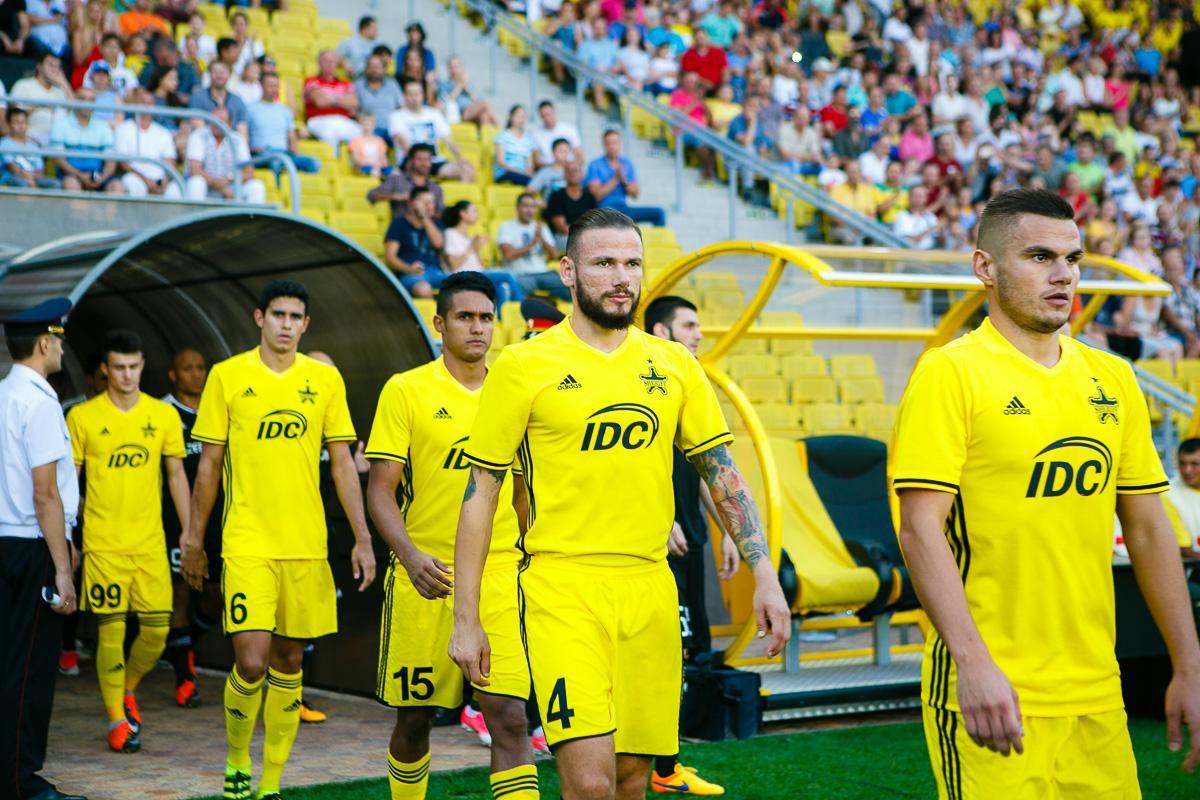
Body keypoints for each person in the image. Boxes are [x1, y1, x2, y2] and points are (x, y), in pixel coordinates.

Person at [450, 208, 790, 800]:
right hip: (562, 588)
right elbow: (481, 494)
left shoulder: (675, 364)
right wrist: (466, 617)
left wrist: (764, 572)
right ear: (568, 271)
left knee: (632, 780)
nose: (621, 277)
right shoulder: (524, 365)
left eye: (632, 263)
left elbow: (721, 472)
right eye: (604, 263)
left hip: (651, 589)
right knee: (589, 783)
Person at [893, 189, 1200, 798]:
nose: (1063, 275)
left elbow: (1148, 528)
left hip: (1097, 689)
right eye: (1039, 257)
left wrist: (1189, 662)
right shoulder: (950, 372)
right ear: (985, 267)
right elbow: (919, 529)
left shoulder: (1113, 377)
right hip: (995, 689)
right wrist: (972, 664)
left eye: (1072, 258)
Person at [179, 280, 377, 800]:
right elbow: (208, 468)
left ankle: (270, 782)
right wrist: (194, 540)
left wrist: (362, 537)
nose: (286, 324)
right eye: (278, 315)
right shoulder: (228, 376)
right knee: (250, 662)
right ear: (259, 318)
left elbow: (342, 464)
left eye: (295, 317)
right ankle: (237, 759)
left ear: (305, 325)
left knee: (289, 661)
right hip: (247, 542)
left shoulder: (324, 380)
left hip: (306, 546)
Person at [366, 272, 540, 800]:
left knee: (509, 716)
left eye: (486, 317)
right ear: (440, 323)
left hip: (500, 577)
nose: (478, 328)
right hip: (427, 578)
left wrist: (533, 555)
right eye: (466, 317)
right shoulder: (406, 390)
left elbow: (523, 493)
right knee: (415, 720)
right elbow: (380, 490)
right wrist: (410, 556)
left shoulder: (515, 391)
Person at [66, 330, 190, 753]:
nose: (127, 375)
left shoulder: (162, 415)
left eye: (134, 366)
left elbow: (176, 476)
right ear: (105, 369)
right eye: (119, 367)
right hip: (103, 544)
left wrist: (190, 530)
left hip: (150, 544)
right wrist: (69, 534)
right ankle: (116, 720)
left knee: (156, 633)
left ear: (142, 366)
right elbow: (70, 481)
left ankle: (128, 687)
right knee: (111, 632)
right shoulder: (83, 417)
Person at [644, 295, 738, 797]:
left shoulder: (686, 382)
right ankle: (661, 765)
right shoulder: (641, 382)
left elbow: (703, 465)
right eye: (690, 325)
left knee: (688, 648)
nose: (699, 334)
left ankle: (667, 762)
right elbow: (627, 469)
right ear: (662, 331)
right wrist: (660, 523)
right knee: (666, 652)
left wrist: (725, 531)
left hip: (691, 539)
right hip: (654, 546)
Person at [0, 298, 85, 800]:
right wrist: (63, 570)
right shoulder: (40, 401)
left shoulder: (3, 394)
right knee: (29, 670)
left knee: (7, 662)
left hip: (4, 542)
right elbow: (45, 493)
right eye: (58, 339)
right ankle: (20, 781)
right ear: (43, 343)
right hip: (31, 548)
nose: (61, 348)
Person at [161, 348, 223, 710]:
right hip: (175, 520)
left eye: (201, 368)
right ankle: (185, 679)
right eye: (188, 368)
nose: (196, 374)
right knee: (180, 594)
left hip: (217, 520)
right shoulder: (163, 412)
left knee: (216, 595)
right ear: (173, 374)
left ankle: (183, 645)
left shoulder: (218, 409)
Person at [387, 81, 474, 182]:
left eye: (417, 94)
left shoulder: (434, 114)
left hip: (434, 161)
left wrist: (460, 158)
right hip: (410, 161)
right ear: (404, 96)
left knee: (467, 169)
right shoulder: (396, 116)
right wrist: (422, 162)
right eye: (410, 94)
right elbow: (404, 144)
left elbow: (449, 141)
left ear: (422, 95)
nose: (414, 98)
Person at [441, 201, 524, 305]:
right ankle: (523, 308)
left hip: (477, 274)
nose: (478, 214)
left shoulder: (469, 238)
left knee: (500, 288)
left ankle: (499, 315)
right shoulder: (450, 234)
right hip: (463, 276)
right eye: (474, 211)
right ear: (463, 214)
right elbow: (454, 266)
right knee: (508, 275)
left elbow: (480, 267)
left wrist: (477, 249)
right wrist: (472, 247)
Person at [184, 107, 266, 204]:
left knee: (256, 186)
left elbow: (249, 173)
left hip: (230, 186)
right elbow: (194, 170)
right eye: (214, 120)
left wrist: (229, 179)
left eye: (221, 121)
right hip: (206, 186)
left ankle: (251, 215)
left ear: (230, 124)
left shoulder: (238, 139)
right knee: (196, 182)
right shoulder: (198, 135)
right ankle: (195, 213)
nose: (217, 124)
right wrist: (220, 187)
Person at [497, 191, 569, 302]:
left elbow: (555, 255)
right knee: (519, 287)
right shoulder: (506, 227)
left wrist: (542, 239)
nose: (529, 210)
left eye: (533, 207)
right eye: (525, 206)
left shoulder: (541, 227)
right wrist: (533, 243)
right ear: (517, 208)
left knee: (570, 284)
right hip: (521, 274)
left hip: (544, 273)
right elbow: (508, 255)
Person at [49, 88, 124, 194]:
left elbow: (111, 161)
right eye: (83, 99)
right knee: (71, 184)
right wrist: (80, 175)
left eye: (91, 100)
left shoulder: (103, 126)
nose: (87, 104)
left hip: (98, 174)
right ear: (75, 101)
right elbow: (59, 159)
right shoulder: (60, 125)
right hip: (71, 174)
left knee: (117, 186)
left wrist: (102, 177)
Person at [585, 129, 666, 227]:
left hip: (624, 208)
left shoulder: (627, 163)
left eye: (614, 143)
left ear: (620, 144)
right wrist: (616, 178)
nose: (612, 146)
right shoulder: (595, 165)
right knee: (610, 212)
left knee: (659, 213)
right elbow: (597, 195)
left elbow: (635, 194)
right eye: (608, 143)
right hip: (604, 210)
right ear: (604, 145)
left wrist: (624, 181)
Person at [114, 88, 182, 198]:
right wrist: (146, 180)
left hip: (160, 179)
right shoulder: (123, 129)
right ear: (135, 104)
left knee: (176, 189)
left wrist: (165, 181)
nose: (146, 106)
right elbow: (123, 163)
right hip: (135, 176)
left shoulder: (163, 133)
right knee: (133, 183)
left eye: (149, 103)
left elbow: (170, 161)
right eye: (143, 102)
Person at [247, 73, 320, 174]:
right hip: (261, 154)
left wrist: (295, 151)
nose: (274, 89)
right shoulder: (250, 108)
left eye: (276, 86)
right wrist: (250, 149)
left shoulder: (285, 110)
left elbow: (291, 138)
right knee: (276, 162)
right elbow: (244, 135)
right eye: (270, 86)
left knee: (313, 163)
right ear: (261, 86)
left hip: (283, 153)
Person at [384, 186, 445, 298]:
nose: (429, 206)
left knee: (465, 284)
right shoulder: (398, 224)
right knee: (423, 289)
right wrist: (408, 269)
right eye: (425, 203)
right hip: (410, 274)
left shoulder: (436, 224)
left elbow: (438, 243)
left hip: (435, 273)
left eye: (431, 202)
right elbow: (390, 257)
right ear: (411, 204)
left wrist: (424, 217)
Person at [368, 143, 446, 220]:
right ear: (411, 161)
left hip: (428, 227)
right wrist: (399, 196)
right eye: (419, 159)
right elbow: (372, 195)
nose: (424, 163)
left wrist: (428, 210)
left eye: (427, 159)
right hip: (401, 226)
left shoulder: (435, 188)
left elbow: (441, 214)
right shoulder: (396, 180)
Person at [304, 50, 363, 151]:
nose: (329, 63)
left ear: (336, 64)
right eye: (325, 60)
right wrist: (342, 100)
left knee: (361, 133)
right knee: (331, 134)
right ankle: (332, 160)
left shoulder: (345, 83)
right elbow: (320, 102)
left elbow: (354, 103)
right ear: (318, 63)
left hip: (343, 120)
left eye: (332, 61)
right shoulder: (311, 81)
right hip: (319, 120)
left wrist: (331, 99)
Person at [11, 51, 73, 146]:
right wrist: (38, 107)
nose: (54, 69)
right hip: (29, 138)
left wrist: (63, 83)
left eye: (57, 67)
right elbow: (14, 114)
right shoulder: (23, 84)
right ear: (39, 66)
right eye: (51, 65)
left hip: (57, 141)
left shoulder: (61, 91)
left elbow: (74, 111)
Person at [0, 107, 62, 188]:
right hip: (12, 177)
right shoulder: (4, 143)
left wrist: (33, 179)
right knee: (22, 183)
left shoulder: (33, 145)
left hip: (34, 178)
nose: (20, 125)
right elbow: (12, 167)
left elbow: (40, 170)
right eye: (16, 122)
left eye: (23, 122)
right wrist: (30, 180)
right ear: (9, 124)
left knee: (55, 184)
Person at [545, 159, 596, 251]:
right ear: (564, 175)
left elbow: (594, 223)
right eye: (569, 171)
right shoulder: (556, 196)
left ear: (582, 175)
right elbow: (561, 228)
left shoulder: (589, 197)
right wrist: (584, 237)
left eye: (575, 171)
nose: (572, 174)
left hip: (587, 237)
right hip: (565, 237)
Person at [1164, 440, 1200, 556]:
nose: (1187, 470)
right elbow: (1182, 548)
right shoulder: (1168, 493)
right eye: (1182, 463)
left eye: (1195, 464)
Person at [530, 99, 582, 168]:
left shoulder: (570, 129)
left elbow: (579, 156)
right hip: (547, 170)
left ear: (554, 112)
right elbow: (537, 162)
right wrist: (555, 168)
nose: (546, 118)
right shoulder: (536, 134)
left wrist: (572, 168)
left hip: (570, 169)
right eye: (543, 116)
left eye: (548, 114)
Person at [494, 104, 536, 186]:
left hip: (522, 175)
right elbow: (501, 162)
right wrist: (520, 172)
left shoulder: (528, 139)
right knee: (531, 182)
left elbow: (530, 165)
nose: (521, 119)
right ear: (511, 117)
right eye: (518, 116)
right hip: (506, 173)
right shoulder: (502, 135)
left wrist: (528, 172)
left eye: (523, 117)